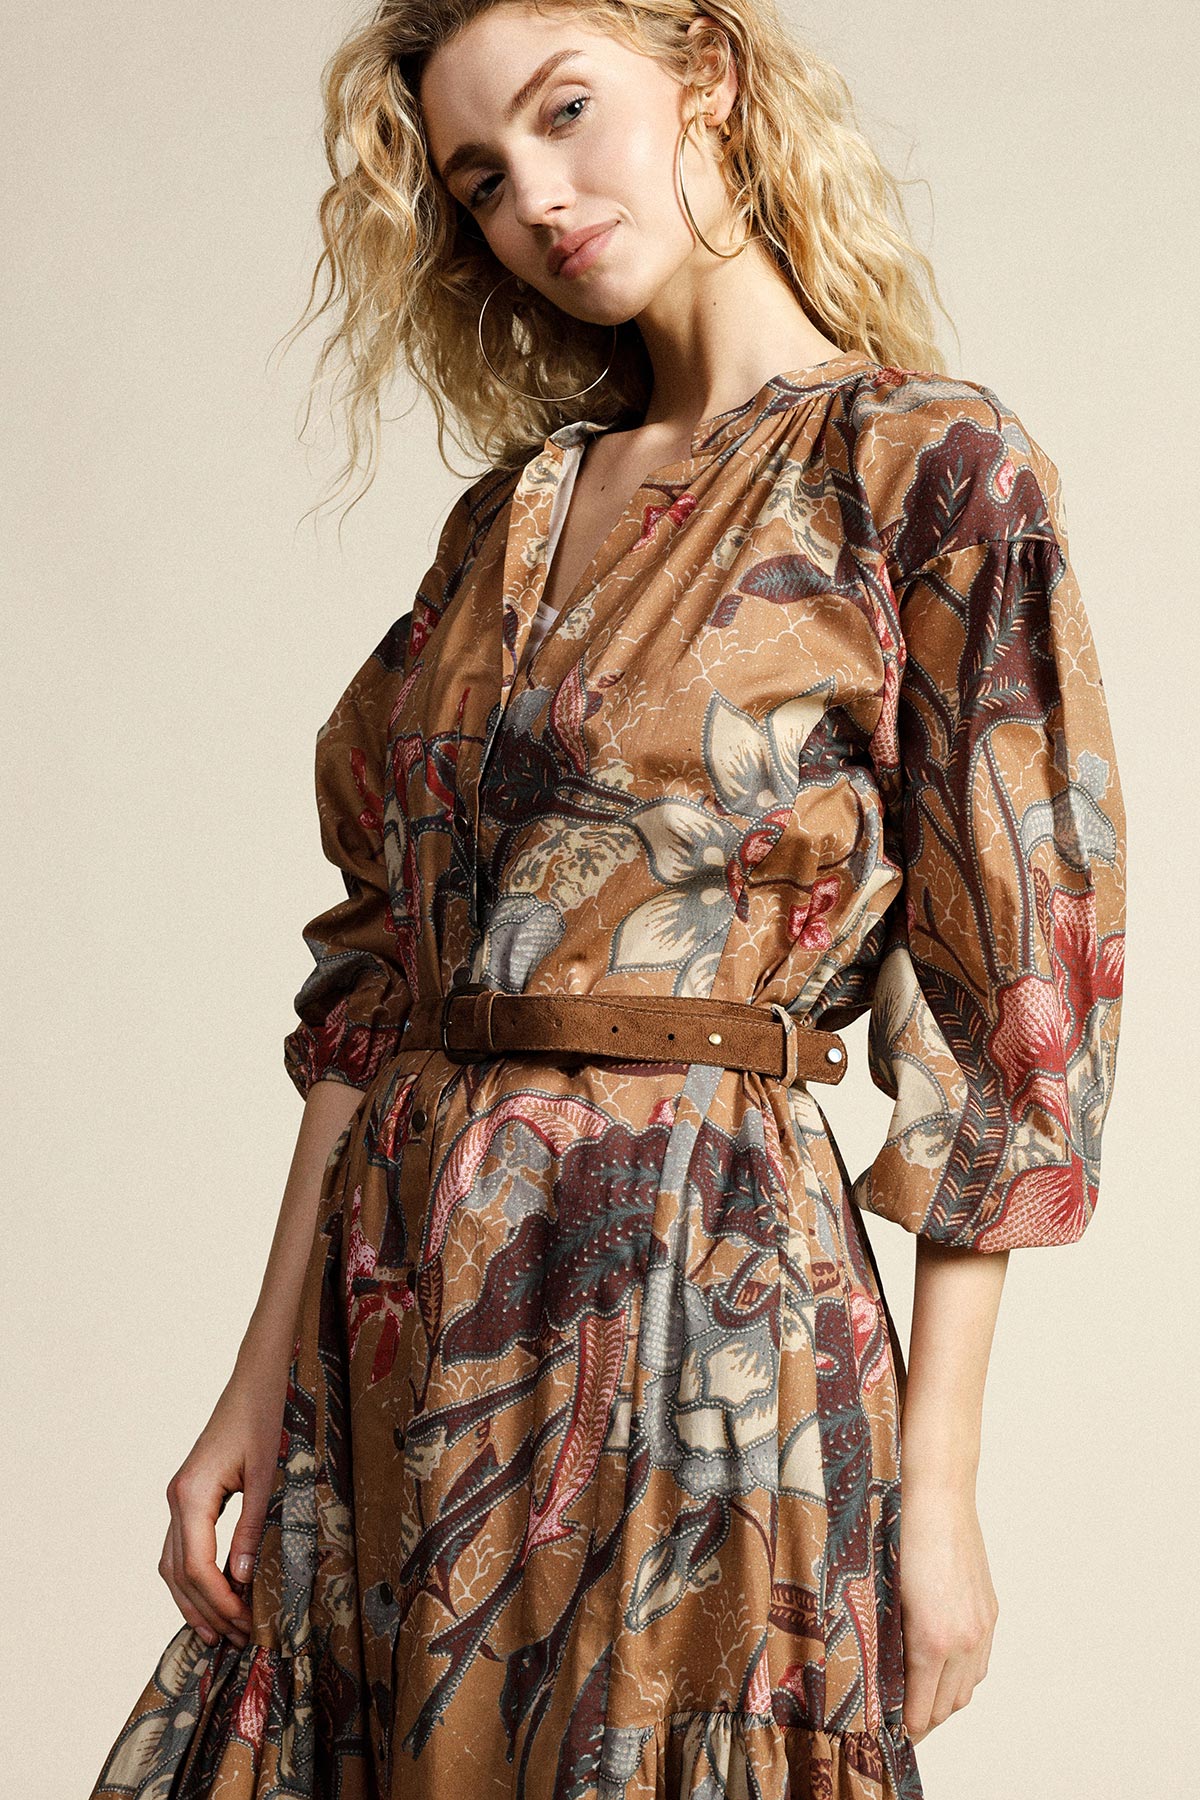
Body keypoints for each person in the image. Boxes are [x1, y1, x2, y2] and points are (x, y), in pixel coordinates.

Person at [88, 3, 1126, 1797]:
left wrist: (937, 1495)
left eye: (571, 115)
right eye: (484, 177)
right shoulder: (510, 515)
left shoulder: (926, 468)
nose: (541, 201)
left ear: (706, 77)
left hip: (704, 1294)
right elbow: (379, 985)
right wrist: (253, 1383)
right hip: (407, 1309)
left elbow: (1020, 1017)